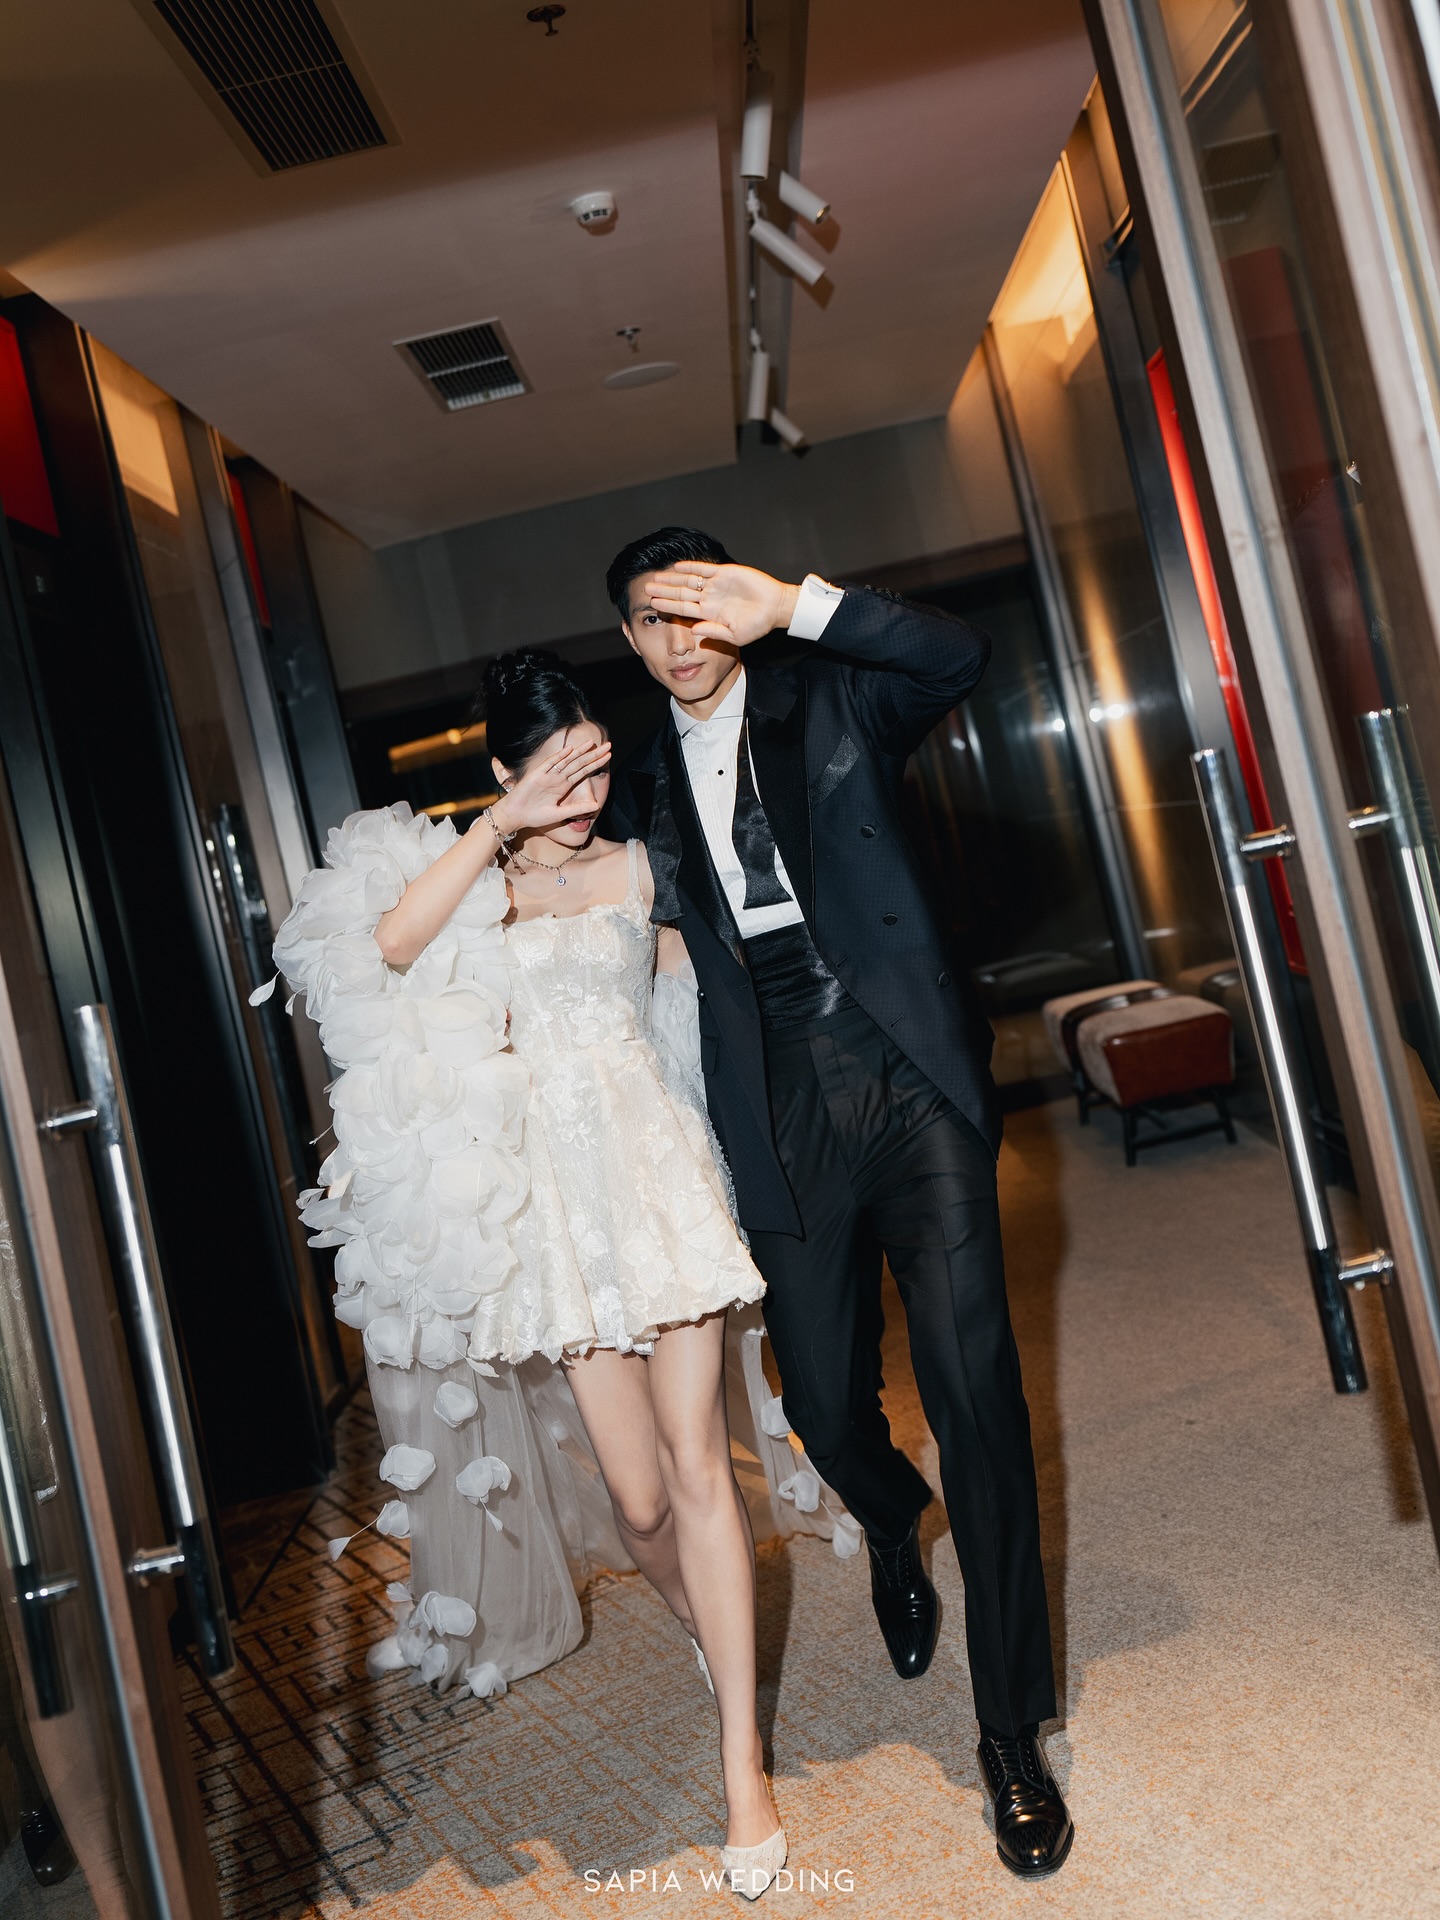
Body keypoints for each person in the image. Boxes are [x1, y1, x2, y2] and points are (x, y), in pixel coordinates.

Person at [269, 652, 796, 1899]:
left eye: (597, 765)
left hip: (655, 1178)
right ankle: (708, 1631)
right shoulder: (476, 894)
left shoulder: (641, 867)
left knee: (697, 1471)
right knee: (640, 1505)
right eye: (557, 771)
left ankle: (744, 1764)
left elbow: (711, 998)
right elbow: (390, 948)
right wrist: (497, 826)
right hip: (556, 1213)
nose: (584, 790)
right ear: (507, 772)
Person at [603, 528, 1074, 1879]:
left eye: (701, 608)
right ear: (630, 638)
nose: (684, 639)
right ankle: (887, 1513)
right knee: (818, 1401)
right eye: (655, 619)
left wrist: (798, 607)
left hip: (907, 1064)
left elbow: (959, 655)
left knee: (978, 1393)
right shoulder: (633, 776)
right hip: (775, 1095)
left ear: (735, 605)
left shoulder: (836, 695)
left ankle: (1010, 1733)